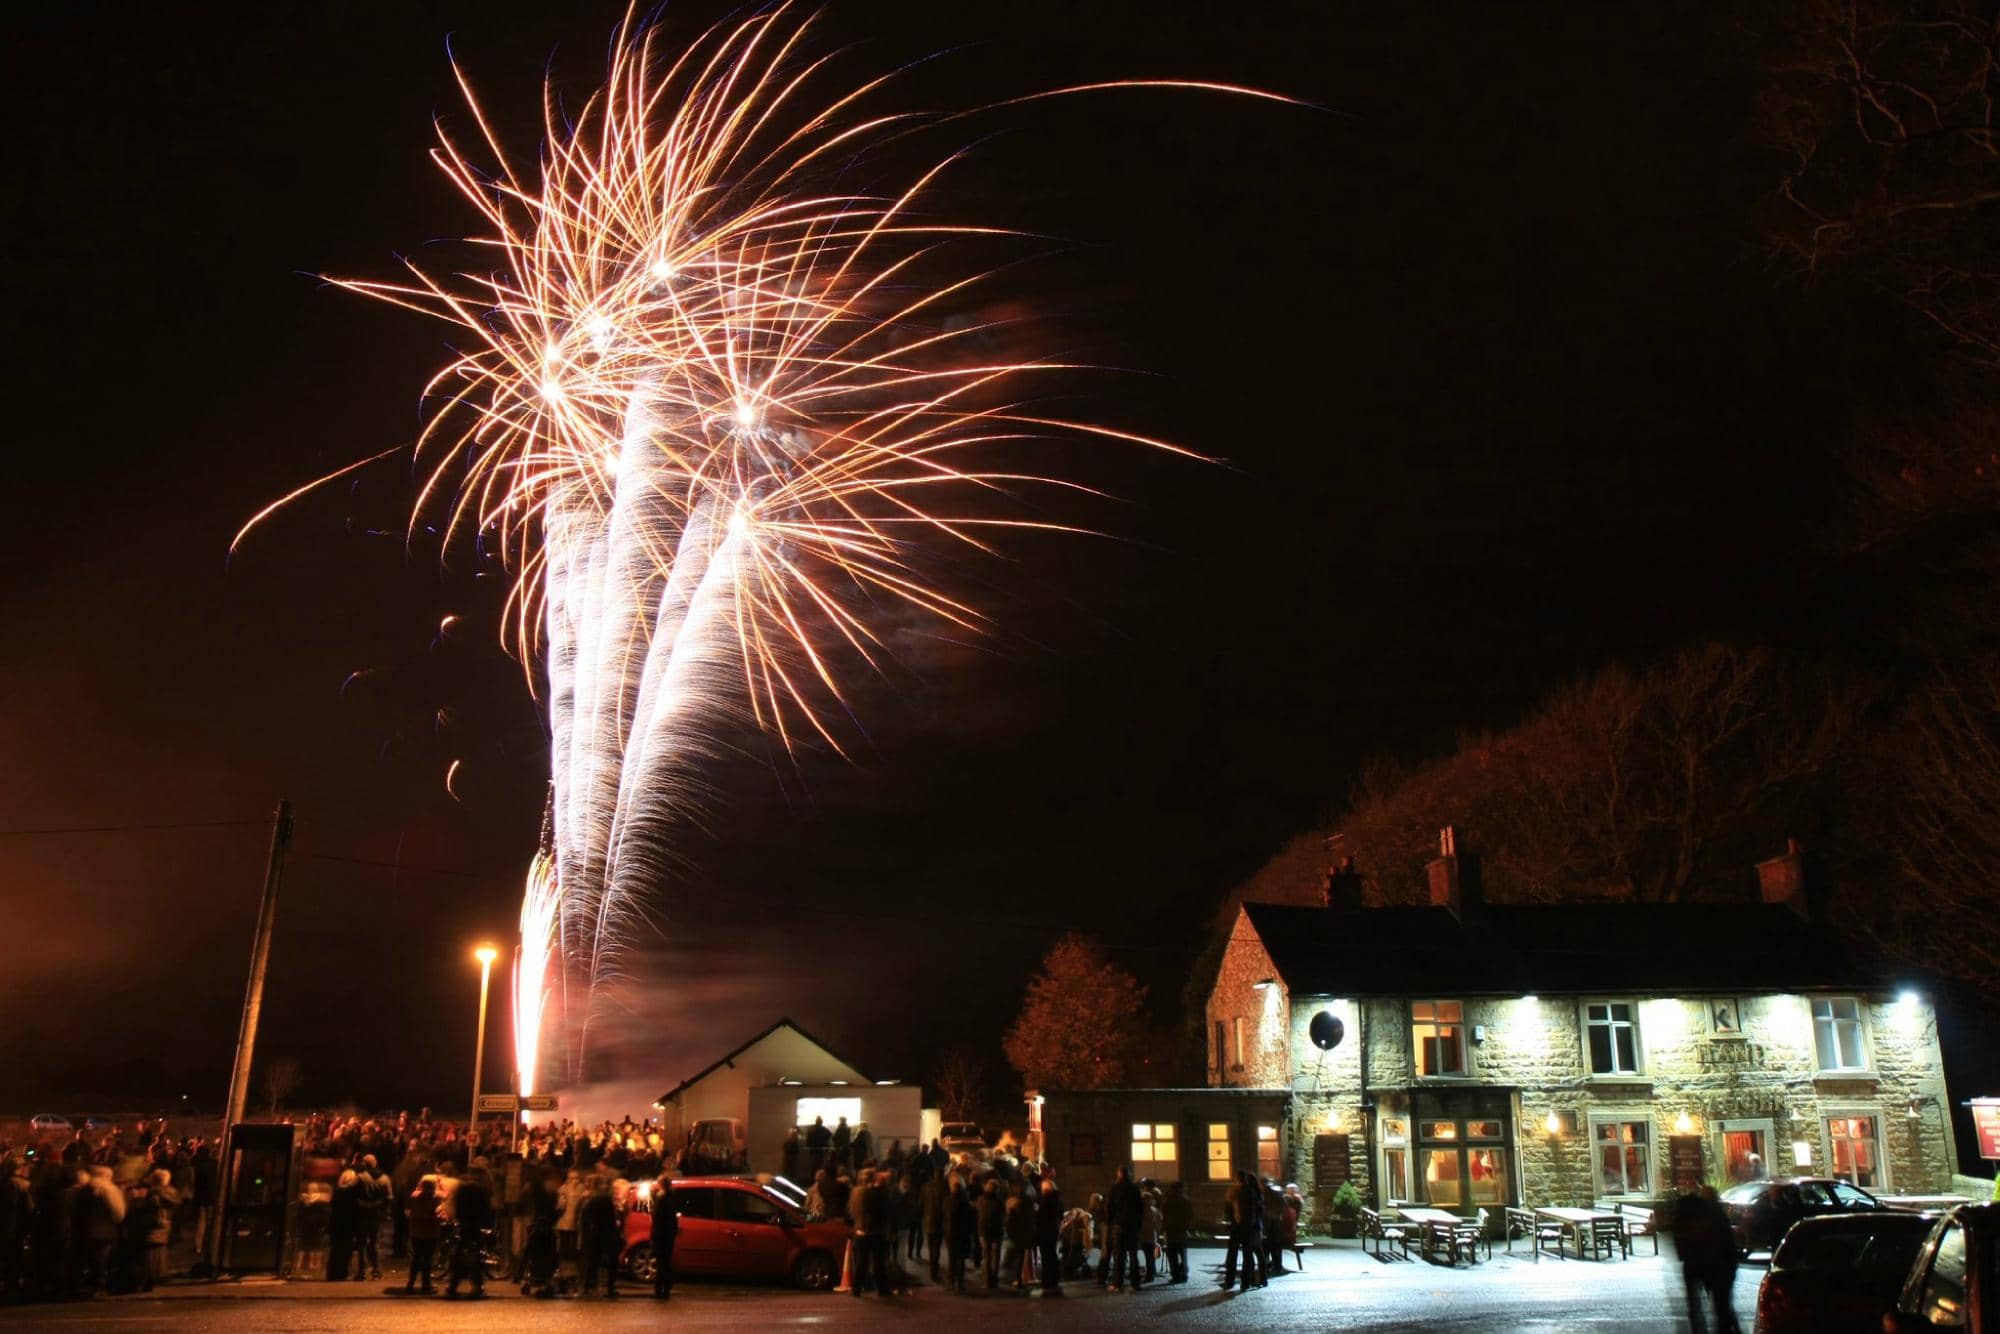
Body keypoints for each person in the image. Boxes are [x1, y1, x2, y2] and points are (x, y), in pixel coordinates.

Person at [1674, 1186, 1742, 1334]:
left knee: (1699, 1306)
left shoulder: (1694, 1215)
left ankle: (1710, 1328)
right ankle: (1726, 1328)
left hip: (1702, 1264)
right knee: (1722, 1305)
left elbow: (1682, 1240)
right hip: (1715, 1265)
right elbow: (1726, 1242)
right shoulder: (1715, 1214)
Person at [445, 1167, 494, 1299]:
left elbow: (457, 1206)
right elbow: (485, 1208)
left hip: (464, 1225)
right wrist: (486, 1223)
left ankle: (453, 1284)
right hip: (476, 1225)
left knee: (459, 1254)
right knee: (477, 1257)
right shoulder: (480, 1190)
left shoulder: (461, 1189)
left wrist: (459, 1219)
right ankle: (477, 1285)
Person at [578, 1176, 623, 1298]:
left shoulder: (591, 1198)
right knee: (607, 1262)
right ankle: (607, 1287)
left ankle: (589, 1286)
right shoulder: (604, 1199)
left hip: (595, 1235)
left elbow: (585, 1217)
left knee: (593, 1261)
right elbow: (610, 1219)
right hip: (604, 1234)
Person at [136, 1168, 177, 1291]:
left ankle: (150, 1277)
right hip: (166, 1223)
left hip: (154, 1224)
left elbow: (150, 1208)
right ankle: (161, 1274)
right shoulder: (171, 1192)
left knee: (150, 1253)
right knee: (160, 1250)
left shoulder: (154, 1193)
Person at [1105, 1165, 1143, 1292]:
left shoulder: (1114, 1188)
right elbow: (1140, 1208)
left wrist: (1110, 1223)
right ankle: (1135, 1283)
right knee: (1133, 1255)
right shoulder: (1134, 1189)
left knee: (1119, 1256)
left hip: (1118, 1225)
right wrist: (1138, 1224)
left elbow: (1109, 1208)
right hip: (1132, 1226)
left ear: (1119, 1174)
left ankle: (1117, 1284)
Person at [404, 1177, 440, 1294]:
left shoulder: (415, 1197)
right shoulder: (435, 1199)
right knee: (427, 1259)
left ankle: (410, 1283)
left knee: (416, 1258)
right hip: (430, 1232)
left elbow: (410, 1212)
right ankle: (426, 1285)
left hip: (416, 1232)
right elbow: (437, 1213)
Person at [327, 1168, 360, 1282]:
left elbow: (332, 1206)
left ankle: (332, 1274)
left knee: (335, 1250)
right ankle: (343, 1274)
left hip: (336, 1224)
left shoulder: (338, 1191)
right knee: (346, 1251)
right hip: (349, 1225)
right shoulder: (354, 1193)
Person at [1002, 1179, 1035, 1289]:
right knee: (1020, 1255)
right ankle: (1019, 1277)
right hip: (1022, 1231)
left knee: (1017, 1254)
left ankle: (1017, 1276)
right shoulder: (1026, 1201)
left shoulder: (1011, 1201)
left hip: (1015, 1231)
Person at [1035, 1171, 1063, 1296]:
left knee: (1047, 1256)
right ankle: (1054, 1280)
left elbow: (1041, 1216)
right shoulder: (1057, 1199)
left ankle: (1047, 1281)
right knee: (1052, 1255)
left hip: (1045, 1231)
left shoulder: (1046, 1200)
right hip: (1054, 1230)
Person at [649, 1176, 678, 1299]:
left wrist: (654, 1236)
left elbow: (658, 1218)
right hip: (668, 1235)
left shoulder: (663, 1199)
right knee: (665, 1262)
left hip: (661, 1236)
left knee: (661, 1263)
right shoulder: (670, 1197)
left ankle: (660, 1290)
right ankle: (665, 1288)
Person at [1160, 1180, 1192, 1284]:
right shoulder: (1185, 1201)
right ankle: (1184, 1274)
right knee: (1183, 1254)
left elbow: (1163, 1215)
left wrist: (1164, 1227)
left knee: (1172, 1255)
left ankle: (1176, 1275)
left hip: (1171, 1231)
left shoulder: (1167, 1201)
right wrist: (1187, 1226)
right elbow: (1190, 1216)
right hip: (1181, 1231)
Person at [975, 1178, 1005, 1289]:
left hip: (984, 1231)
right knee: (995, 1257)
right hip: (997, 1232)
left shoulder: (981, 1200)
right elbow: (1003, 1215)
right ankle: (994, 1280)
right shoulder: (999, 1202)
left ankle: (986, 1281)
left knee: (986, 1256)